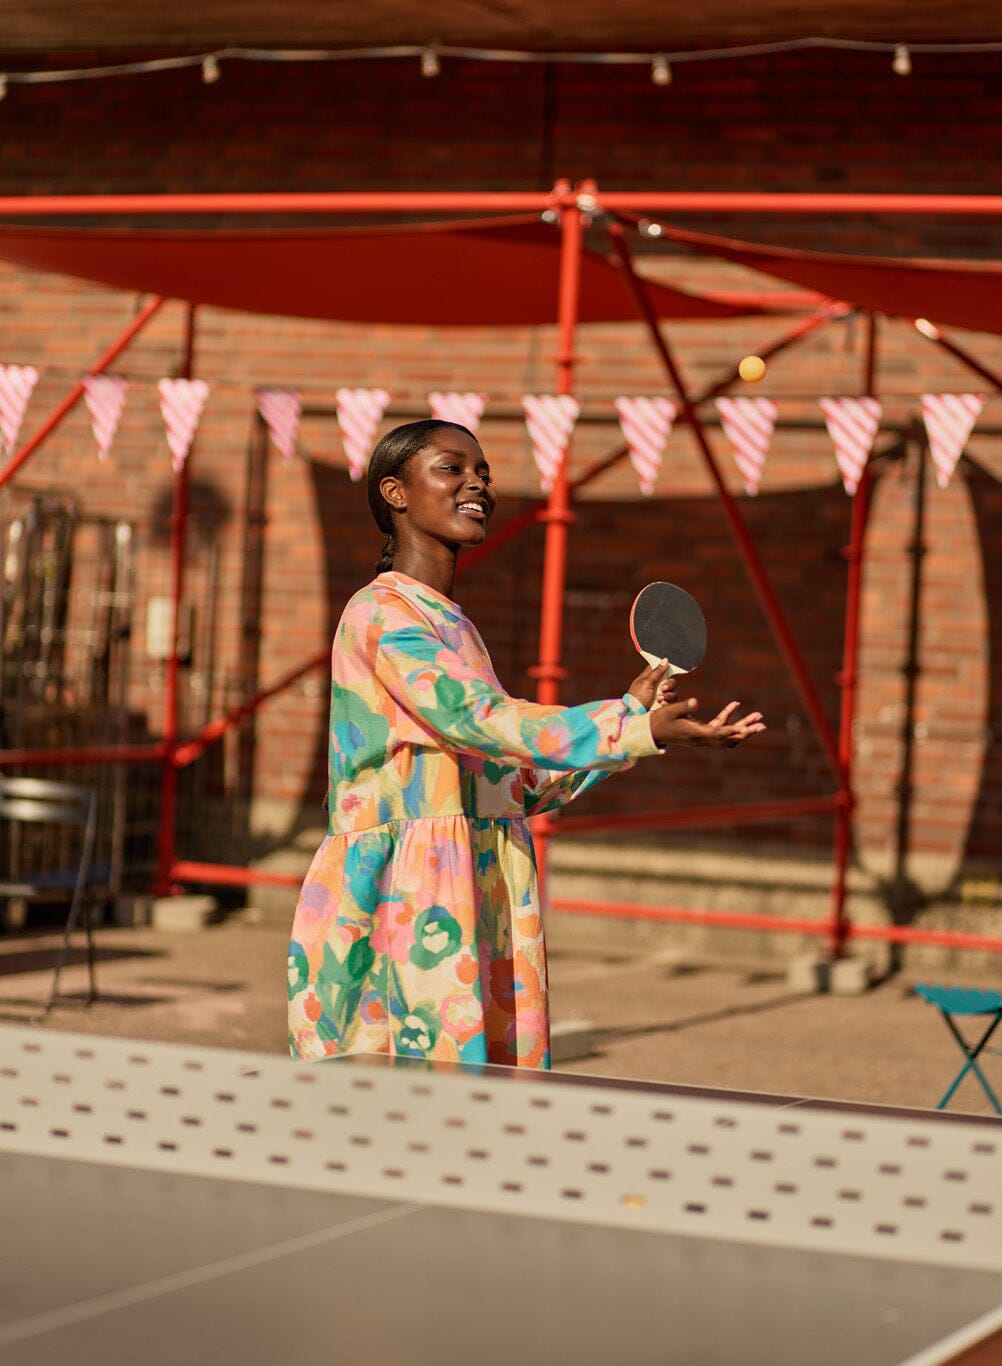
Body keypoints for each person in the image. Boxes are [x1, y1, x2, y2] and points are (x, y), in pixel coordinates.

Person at [288, 419, 764, 1067]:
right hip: (404, 896)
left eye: (482, 472)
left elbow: (515, 784)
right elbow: (477, 718)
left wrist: (636, 724)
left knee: (471, 1108)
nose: (477, 484)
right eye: (452, 468)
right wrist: (628, 727)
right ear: (395, 492)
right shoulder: (381, 614)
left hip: (478, 893)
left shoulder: (456, 627)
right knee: (395, 1103)